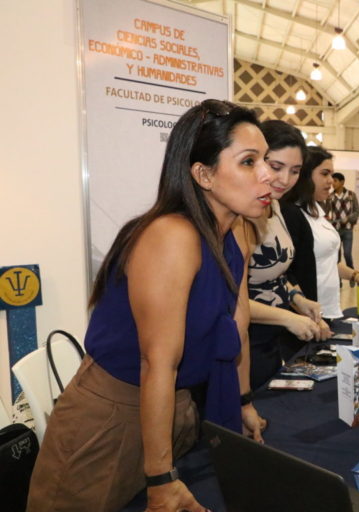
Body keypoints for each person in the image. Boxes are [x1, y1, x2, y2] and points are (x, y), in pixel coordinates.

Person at [27, 100, 271, 511]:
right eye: (249, 162)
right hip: (107, 418)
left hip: (173, 408)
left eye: (265, 159)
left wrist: (244, 401)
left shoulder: (239, 233)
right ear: (204, 174)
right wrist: (160, 480)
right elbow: (156, 363)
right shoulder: (172, 236)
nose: (268, 174)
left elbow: (237, 323)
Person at [236, 120, 331, 390]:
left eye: (295, 171)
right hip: (244, 344)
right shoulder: (236, 215)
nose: (284, 180)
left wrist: (297, 298)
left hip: (272, 341)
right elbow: (230, 299)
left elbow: (279, 273)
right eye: (276, 167)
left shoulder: (277, 209)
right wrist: (289, 317)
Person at [281, 146, 359, 332]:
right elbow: (286, 274)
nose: (331, 180)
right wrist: (306, 314)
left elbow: (327, 261)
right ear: (305, 175)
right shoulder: (291, 214)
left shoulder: (316, 212)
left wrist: (357, 276)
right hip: (307, 318)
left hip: (326, 312)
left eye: (331, 174)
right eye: (324, 174)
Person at [324, 171, 359, 271]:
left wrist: (348, 218)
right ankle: (338, 279)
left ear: (342, 182)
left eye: (335, 181)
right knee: (337, 257)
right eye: (332, 181)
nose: (333, 183)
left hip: (348, 230)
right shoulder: (330, 196)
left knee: (347, 254)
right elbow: (326, 213)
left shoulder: (351, 195)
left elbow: (357, 212)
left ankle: (352, 273)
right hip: (335, 230)